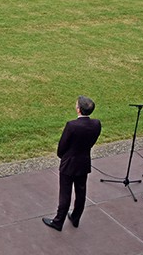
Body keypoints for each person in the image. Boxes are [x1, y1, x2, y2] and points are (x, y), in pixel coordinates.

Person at [43, 96, 101, 231]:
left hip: (69, 163)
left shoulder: (72, 125)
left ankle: (58, 222)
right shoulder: (96, 124)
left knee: (65, 193)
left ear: (78, 109)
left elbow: (62, 145)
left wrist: (63, 156)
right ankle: (75, 218)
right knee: (81, 192)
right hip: (84, 162)